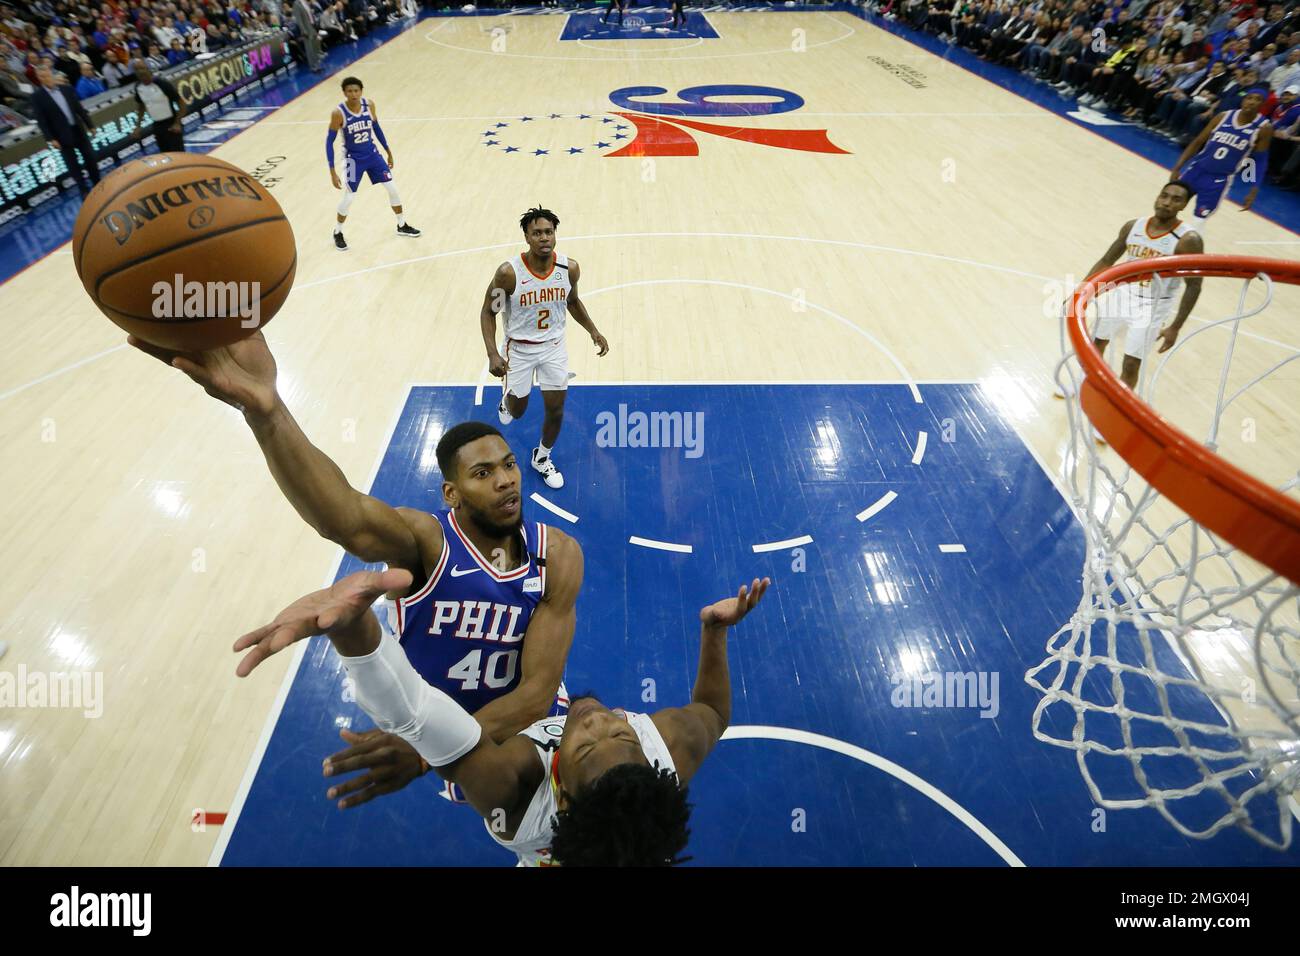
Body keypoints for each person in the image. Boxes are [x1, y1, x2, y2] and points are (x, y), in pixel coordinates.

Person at [127, 332, 583, 809]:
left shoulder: (559, 555)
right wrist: (266, 411)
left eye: (509, 464)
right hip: (443, 734)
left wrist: (427, 750)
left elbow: (537, 692)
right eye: (483, 473)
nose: (507, 479)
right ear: (452, 494)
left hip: (530, 729)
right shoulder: (427, 541)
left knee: (567, 817)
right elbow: (343, 516)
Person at [238, 566, 771, 865]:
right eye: (620, 731)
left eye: (584, 745)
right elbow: (713, 711)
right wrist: (715, 631)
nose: (595, 718)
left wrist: (354, 631)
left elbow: (417, 715)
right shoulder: (668, 750)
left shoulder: (515, 793)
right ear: (652, 761)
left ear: (561, 790)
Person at [482, 207, 611, 491]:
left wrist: (593, 330)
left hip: (553, 347)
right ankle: (507, 399)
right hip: (520, 349)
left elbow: (573, 301)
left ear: (555, 235)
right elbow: (488, 312)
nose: (544, 238)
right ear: (526, 237)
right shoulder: (508, 273)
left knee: (556, 409)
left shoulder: (569, 268)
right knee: (518, 411)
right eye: (537, 233)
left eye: (549, 232)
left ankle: (542, 457)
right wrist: (493, 352)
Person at [1084, 182, 1204, 391]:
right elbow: (1106, 260)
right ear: (1157, 197)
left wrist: (1176, 326)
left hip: (1153, 305)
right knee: (1097, 343)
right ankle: (1087, 383)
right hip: (1122, 294)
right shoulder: (1133, 226)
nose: (1167, 203)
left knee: (1131, 363)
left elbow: (1194, 286)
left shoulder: (1189, 240)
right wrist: (1083, 291)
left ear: (1184, 205)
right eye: (1164, 196)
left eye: (1176, 200)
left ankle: (1120, 407)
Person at [326, 76, 420, 250]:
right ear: (344, 93)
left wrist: (388, 151)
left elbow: (376, 128)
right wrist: (332, 171)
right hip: (352, 160)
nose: (353, 94)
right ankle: (337, 231)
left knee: (393, 189)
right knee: (349, 197)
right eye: (349, 91)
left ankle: (401, 224)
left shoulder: (369, 105)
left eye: (356, 90)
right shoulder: (338, 113)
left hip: (373, 155)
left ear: (361, 91)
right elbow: (328, 142)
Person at [1172, 85, 1273, 222]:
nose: (1252, 101)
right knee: (1170, 207)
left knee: (1198, 221)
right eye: (1249, 98)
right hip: (1195, 170)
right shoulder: (1223, 117)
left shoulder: (1264, 128)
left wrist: (1253, 190)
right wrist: (1178, 167)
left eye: (1258, 100)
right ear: (1243, 100)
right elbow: (1197, 142)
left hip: (1219, 180)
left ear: (1262, 105)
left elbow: (1260, 161)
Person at [29, 60, 100, 196]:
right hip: (61, 135)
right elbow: (41, 121)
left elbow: (79, 109)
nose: (46, 78)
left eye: (47, 75)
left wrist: (90, 125)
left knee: (90, 157)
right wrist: (50, 139)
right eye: (42, 77)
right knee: (73, 165)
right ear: (39, 78)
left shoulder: (66, 89)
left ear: (51, 74)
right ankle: (83, 189)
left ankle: (97, 183)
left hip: (77, 129)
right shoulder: (37, 97)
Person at [128, 58, 185, 152]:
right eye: (137, 69)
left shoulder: (162, 83)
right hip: (157, 125)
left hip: (171, 123)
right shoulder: (138, 87)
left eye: (142, 68)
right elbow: (141, 106)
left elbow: (181, 103)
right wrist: (137, 126)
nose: (140, 71)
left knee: (178, 155)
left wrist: (177, 123)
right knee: (165, 155)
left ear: (148, 69)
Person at [293, 0, 322, 72]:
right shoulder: (296, 4)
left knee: (314, 47)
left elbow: (309, 14)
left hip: (312, 26)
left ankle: (317, 65)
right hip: (306, 29)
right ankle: (313, 67)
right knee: (309, 49)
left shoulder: (306, 2)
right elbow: (299, 19)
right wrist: (303, 30)